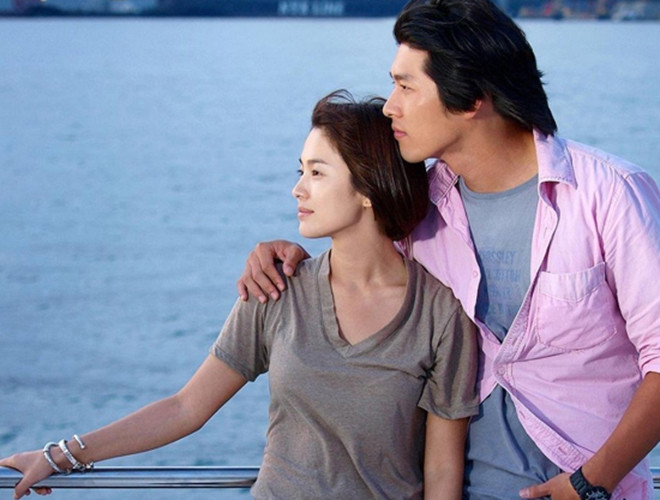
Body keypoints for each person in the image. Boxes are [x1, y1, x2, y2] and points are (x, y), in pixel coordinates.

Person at [235, 1, 660, 499]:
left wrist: (592, 482)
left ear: (472, 98)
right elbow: (363, 272)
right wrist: (285, 258)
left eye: (406, 86)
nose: (390, 106)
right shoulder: (420, 210)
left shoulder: (610, 195)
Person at [0, 90, 480, 500]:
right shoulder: (276, 289)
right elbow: (185, 408)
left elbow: (442, 471)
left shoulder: (441, 315)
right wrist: (60, 455)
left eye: (317, 173)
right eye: (300, 171)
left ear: (368, 187)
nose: (297, 190)